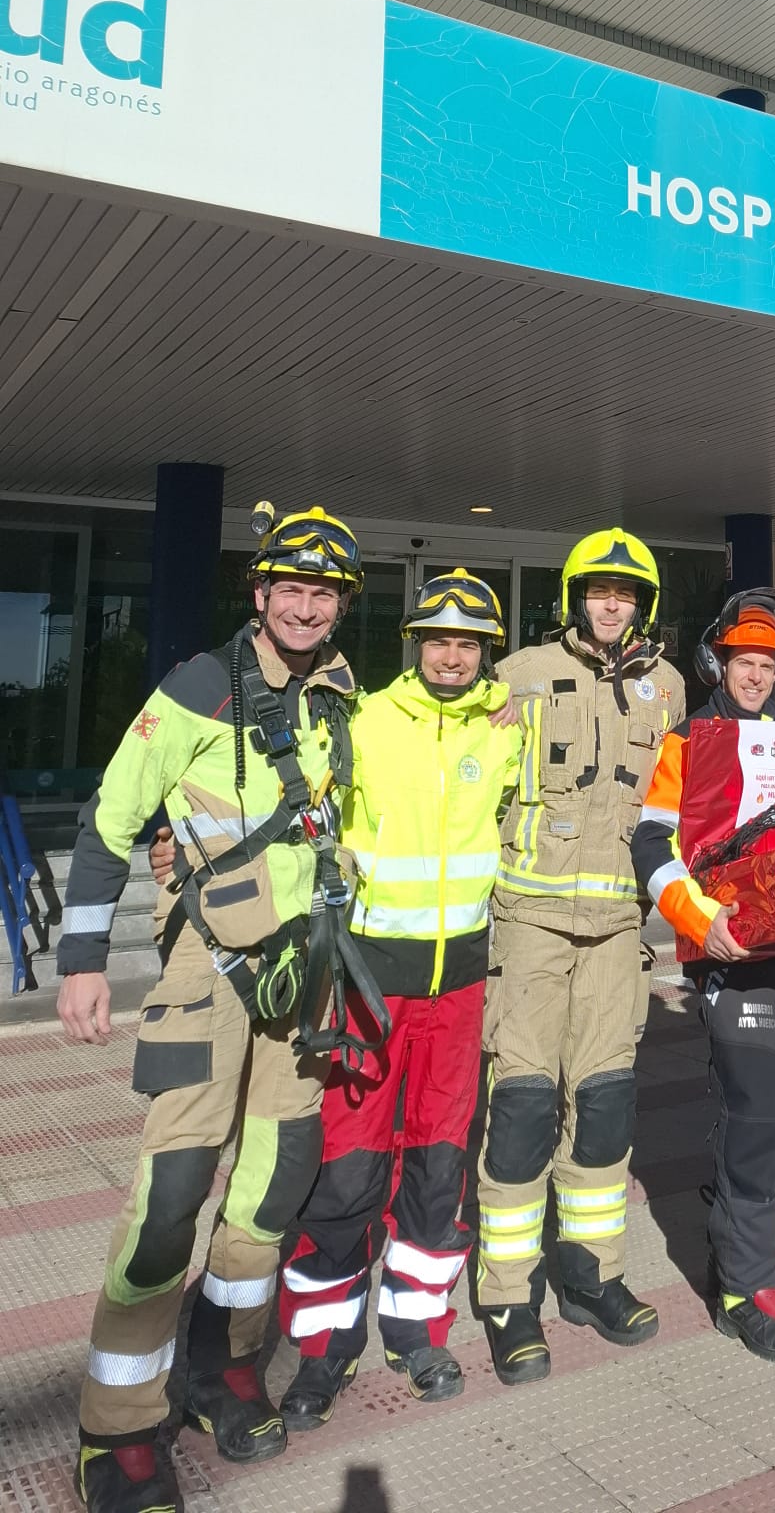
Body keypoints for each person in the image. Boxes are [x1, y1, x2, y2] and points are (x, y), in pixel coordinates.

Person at [57, 506, 363, 1513]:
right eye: (291, 588)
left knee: (272, 1188)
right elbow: (112, 819)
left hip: (305, 975)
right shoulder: (197, 685)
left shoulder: (341, 698)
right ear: (262, 593)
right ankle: (120, 1423)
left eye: (325, 593)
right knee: (172, 1197)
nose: (306, 606)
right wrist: (85, 959)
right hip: (205, 975)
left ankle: (225, 1368)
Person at [277, 571, 523, 1426]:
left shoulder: (509, 727)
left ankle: (418, 1328)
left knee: (436, 1168)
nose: (452, 656)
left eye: (468, 644)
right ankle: (321, 1348)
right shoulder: (362, 719)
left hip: (459, 985)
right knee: (347, 1172)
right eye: (437, 641)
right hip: (370, 984)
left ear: (485, 654)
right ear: (414, 645)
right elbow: (290, 808)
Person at [476, 530, 685, 1385]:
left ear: (644, 604)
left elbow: (678, 806)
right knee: (523, 1109)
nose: (611, 604)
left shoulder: (666, 689)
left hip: (617, 934)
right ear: (574, 597)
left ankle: (588, 1273)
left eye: (626, 593)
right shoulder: (517, 676)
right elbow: (466, 782)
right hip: (526, 925)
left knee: (604, 1108)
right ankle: (507, 1296)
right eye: (598, 590)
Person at [632, 589, 775, 1362]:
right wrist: (695, 919)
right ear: (720, 662)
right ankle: (741, 1285)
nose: (756, 676)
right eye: (745, 662)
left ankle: (761, 1248)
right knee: (750, 1118)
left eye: (769, 664)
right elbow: (652, 844)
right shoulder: (692, 740)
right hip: (726, 953)